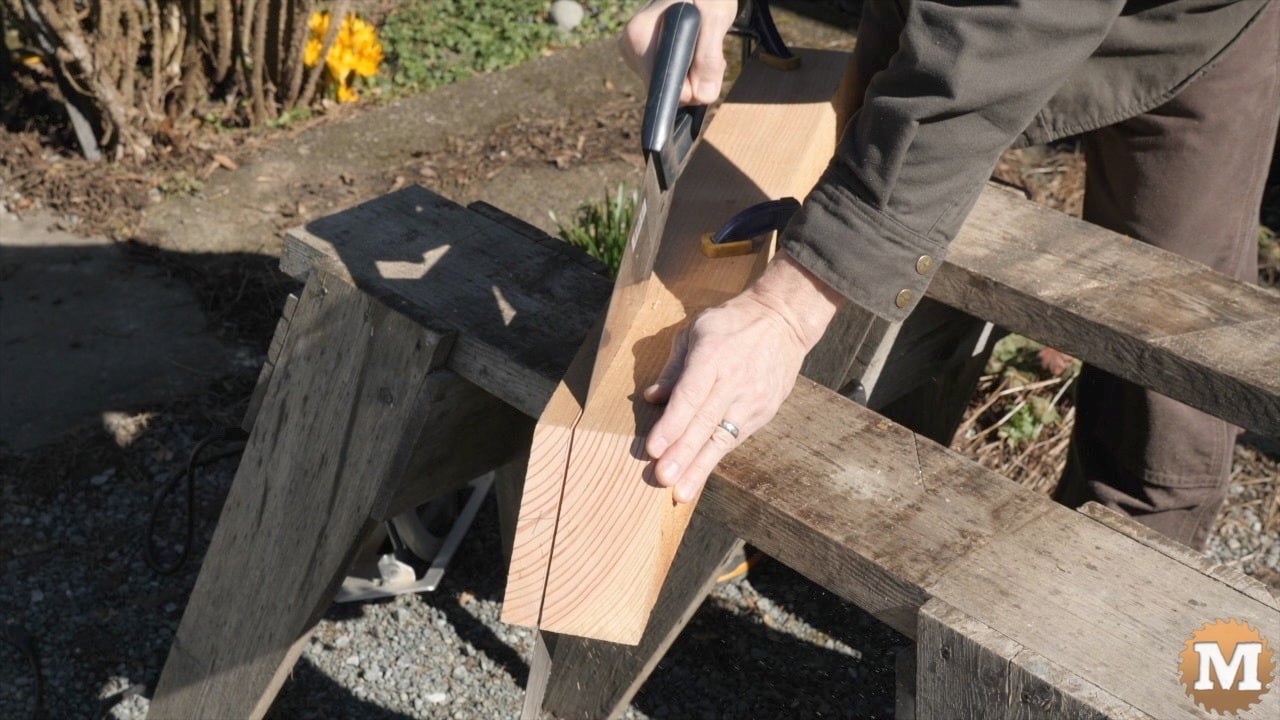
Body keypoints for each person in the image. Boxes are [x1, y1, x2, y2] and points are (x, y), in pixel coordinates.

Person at [620, 0, 1279, 549]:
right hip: (956, 15)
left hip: (1186, 27)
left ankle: (1095, 637)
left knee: (1169, 352)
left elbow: (994, 44)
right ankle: (860, 516)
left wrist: (787, 310)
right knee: (871, 207)